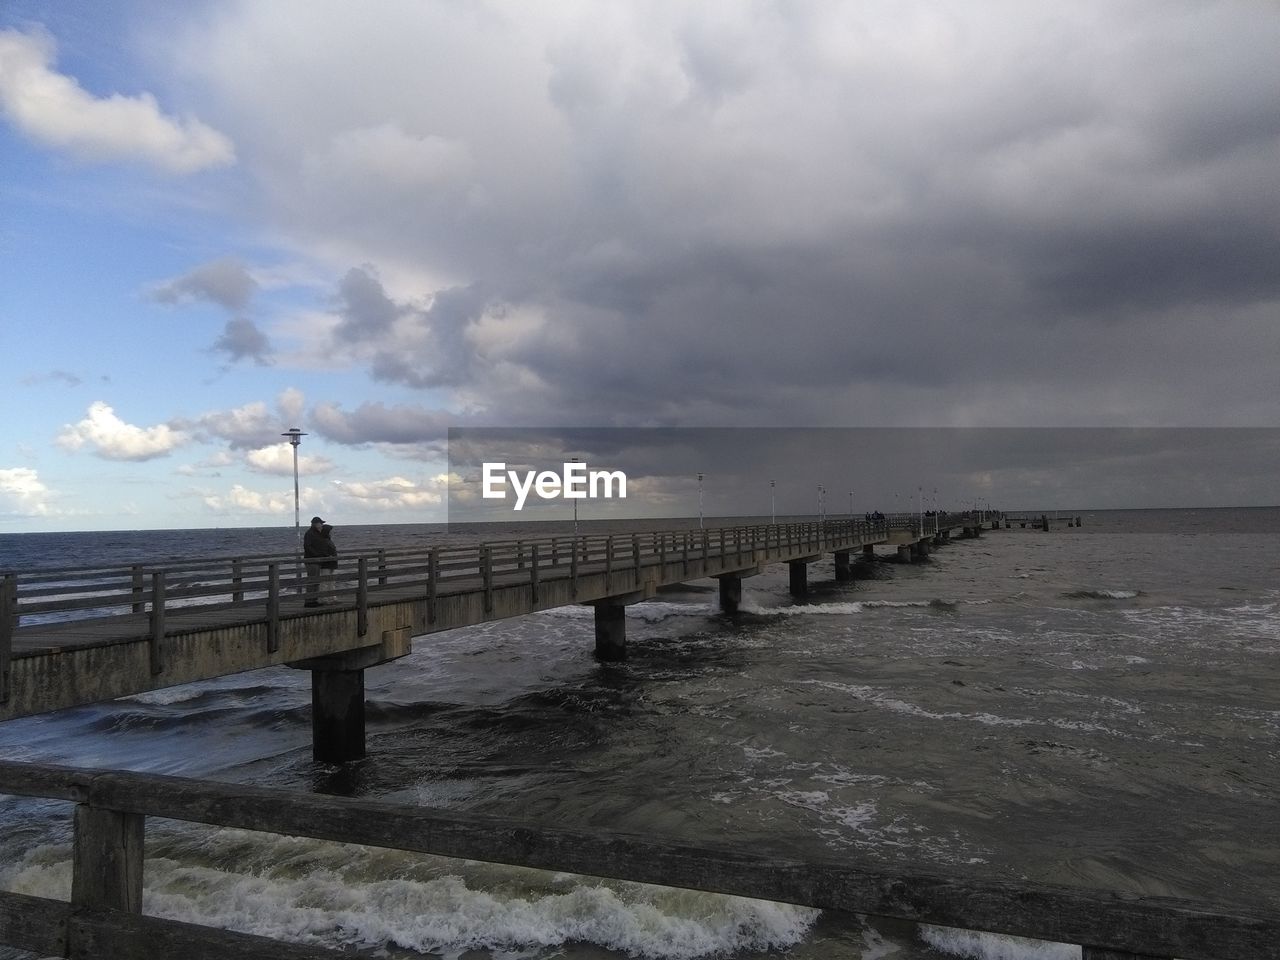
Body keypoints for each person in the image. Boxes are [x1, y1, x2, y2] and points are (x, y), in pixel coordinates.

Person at [303, 516, 338, 606]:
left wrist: (321, 555)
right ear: (315, 524)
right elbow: (308, 546)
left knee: (316, 580)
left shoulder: (317, 534)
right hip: (312, 560)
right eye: (320, 523)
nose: (321, 525)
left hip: (317, 560)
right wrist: (318, 555)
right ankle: (310, 601)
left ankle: (314, 599)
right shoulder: (310, 533)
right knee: (312, 580)